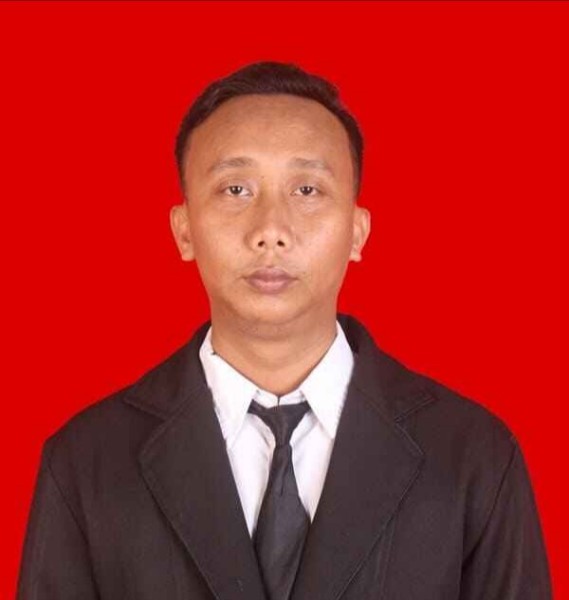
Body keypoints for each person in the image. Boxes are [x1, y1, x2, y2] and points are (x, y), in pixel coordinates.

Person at [17, 61, 551, 600]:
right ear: (184, 230)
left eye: (307, 189)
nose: (270, 230)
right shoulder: (87, 462)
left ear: (357, 231)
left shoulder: (472, 455)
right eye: (235, 189)